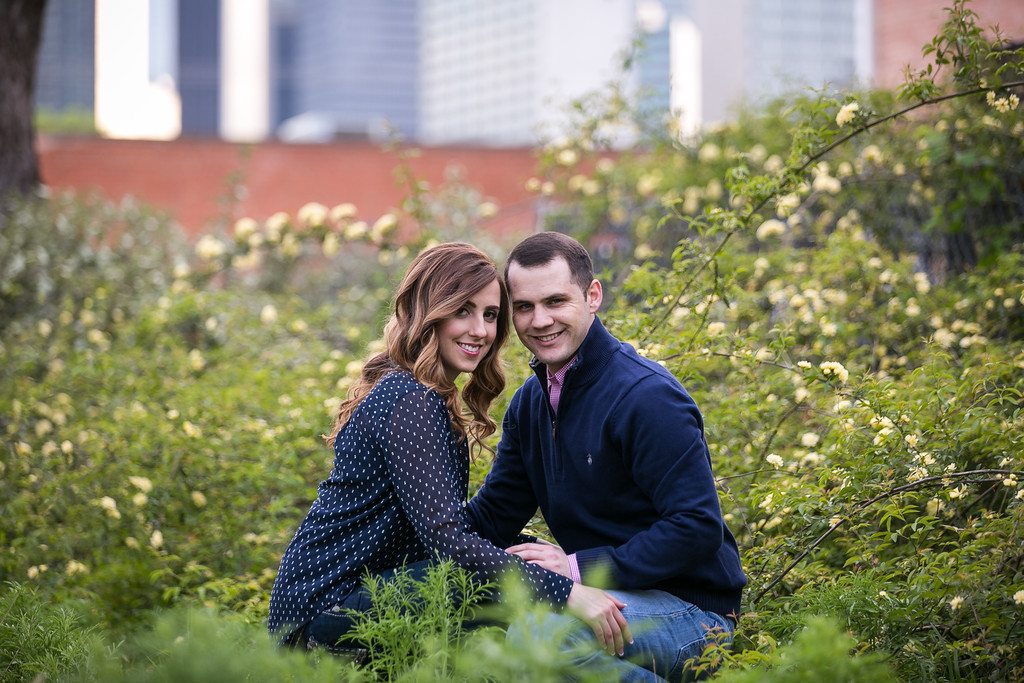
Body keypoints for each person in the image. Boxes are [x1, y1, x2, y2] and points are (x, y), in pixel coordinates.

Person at [267, 242, 628, 656]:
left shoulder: (421, 394)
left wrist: (542, 561)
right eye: (462, 310)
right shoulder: (410, 399)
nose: (480, 330)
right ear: (429, 312)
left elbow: (454, 533)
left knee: (516, 565)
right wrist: (567, 591)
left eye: (491, 315)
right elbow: (448, 541)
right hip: (322, 611)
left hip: (349, 598)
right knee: (515, 589)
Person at [465, 231, 747, 681]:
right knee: (467, 618)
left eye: (556, 301)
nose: (540, 321)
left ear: (592, 296)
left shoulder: (646, 396)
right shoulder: (530, 404)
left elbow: (697, 527)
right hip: (606, 597)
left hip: (692, 612)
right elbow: (496, 514)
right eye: (524, 307)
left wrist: (576, 569)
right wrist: (405, 540)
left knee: (542, 637)